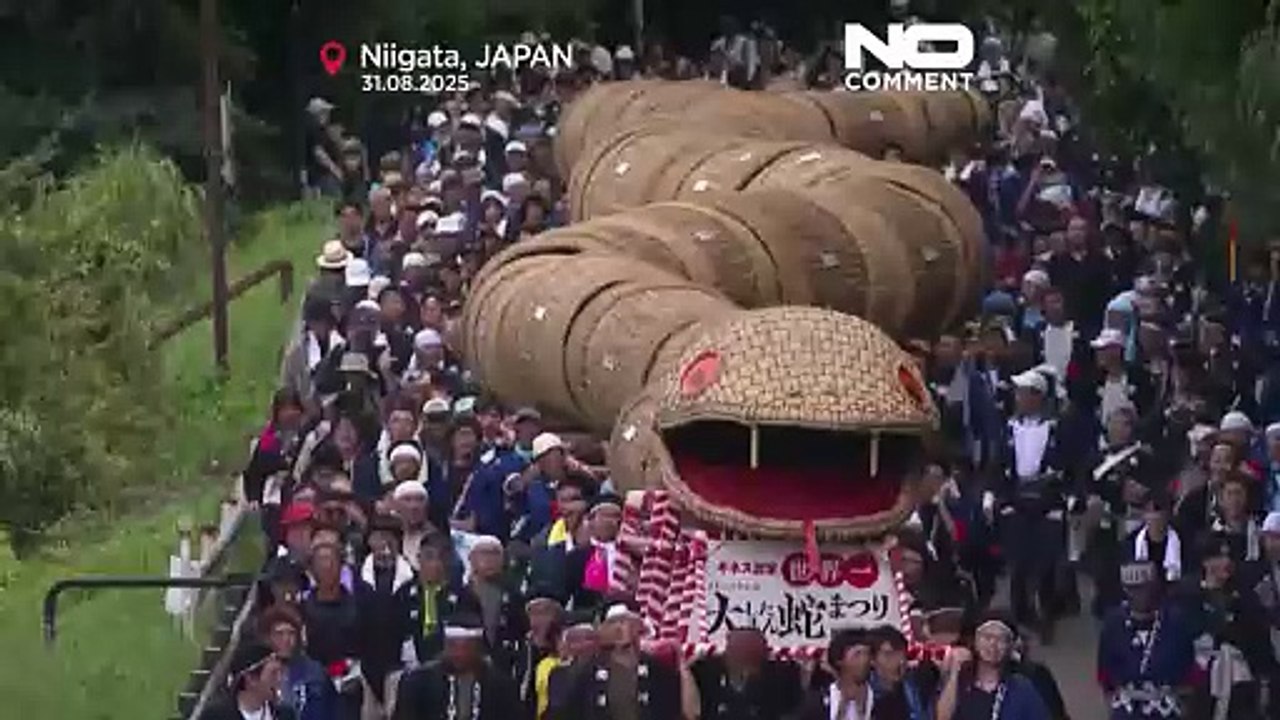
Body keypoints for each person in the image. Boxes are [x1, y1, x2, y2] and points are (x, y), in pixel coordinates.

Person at [1097, 561, 1197, 719]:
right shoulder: (1113, 623)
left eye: (1144, 588)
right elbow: (1104, 673)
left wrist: (1185, 706)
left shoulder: (1175, 621)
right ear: (1125, 589)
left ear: (1154, 587)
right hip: (1126, 710)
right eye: (1133, 589)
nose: (1140, 595)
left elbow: (1189, 671)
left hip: (1167, 709)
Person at [548, 603, 682, 720]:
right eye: (613, 623)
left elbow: (673, 710)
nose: (619, 628)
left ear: (637, 628)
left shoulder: (656, 669)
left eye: (625, 622)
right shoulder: (588, 672)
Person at [392, 614, 523, 720]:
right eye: (453, 646)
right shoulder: (418, 682)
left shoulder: (501, 686)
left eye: (467, 647)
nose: (460, 653)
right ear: (444, 646)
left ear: (479, 648)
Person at [354, 516, 422, 719]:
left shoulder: (414, 578)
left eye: (391, 537)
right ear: (369, 541)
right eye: (379, 537)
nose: (385, 543)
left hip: (400, 665)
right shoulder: (355, 576)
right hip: (363, 665)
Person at [935, 617, 1049, 720]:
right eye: (987, 637)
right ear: (975, 642)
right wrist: (955, 671)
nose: (993, 644)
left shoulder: (1022, 686)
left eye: (1001, 639)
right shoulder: (960, 682)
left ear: (1010, 647)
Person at [691, 627, 803, 720]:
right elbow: (692, 711)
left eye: (749, 649)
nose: (743, 656)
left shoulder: (781, 675)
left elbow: (793, 710)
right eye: (737, 648)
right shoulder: (705, 671)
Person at [260, 605, 338, 720]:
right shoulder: (256, 673)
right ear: (268, 637)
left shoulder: (314, 672)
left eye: (291, 633)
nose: (286, 640)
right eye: (279, 634)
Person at [203, 642, 295, 720]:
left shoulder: (285, 716)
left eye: (280, 672)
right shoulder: (216, 716)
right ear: (251, 679)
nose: (280, 679)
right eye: (273, 674)